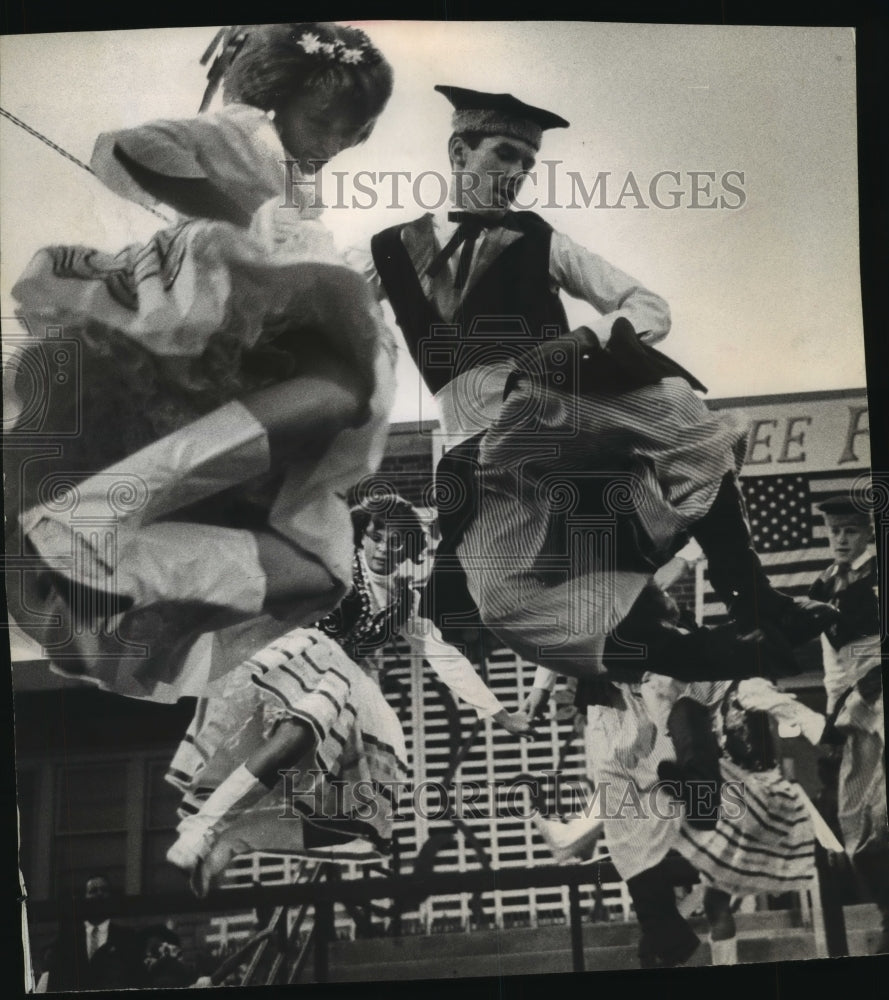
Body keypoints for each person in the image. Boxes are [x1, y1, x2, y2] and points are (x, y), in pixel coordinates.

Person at [347, 84, 835, 686]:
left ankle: (755, 600)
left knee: (683, 418)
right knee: (502, 602)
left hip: (557, 405)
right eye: (503, 154)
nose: (518, 174)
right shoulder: (383, 250)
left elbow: (648, 306)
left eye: (528, 163)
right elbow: (320, 316)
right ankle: (714, 658)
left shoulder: (541, 239)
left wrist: (582, 343)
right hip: (480, 449)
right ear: (458, 151)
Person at [6, 22, 398, 702]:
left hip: (271, 308)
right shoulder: (249, 129)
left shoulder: (294, 169)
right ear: (279, 97)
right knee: (338, 391)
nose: (331, 141)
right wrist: (234, 220)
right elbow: (130, 150)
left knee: (323, 567)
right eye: (321, 120)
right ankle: (94, 518)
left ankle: (110, 547)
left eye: (348, 130)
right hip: (224, 300)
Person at [165, 494, 532, 895]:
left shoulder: (404, 600)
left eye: (396, 543)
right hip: (301, 661)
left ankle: (237, 840)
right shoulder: (337, 564)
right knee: (302, 727)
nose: (383, 549)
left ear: (407, 551)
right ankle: (202, 826)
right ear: (363, 534)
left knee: (358, 815)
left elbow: (445, 656)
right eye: (377, 536)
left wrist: (500, 714)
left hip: (350, 690)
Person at [526, 666, 833, 968]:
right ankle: (574, 839)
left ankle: (573, 839)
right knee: (708, 900)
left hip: (715, 790)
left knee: (710, 897)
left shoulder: (703, 693)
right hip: (694, 791)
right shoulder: (664, 700)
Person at [809, 494, 888, 953]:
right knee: (853, 819)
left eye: (850, 530)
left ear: (869, 532)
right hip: (850, 705)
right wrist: (834, 709)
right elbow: (828, 657)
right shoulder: (824, 582)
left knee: (883, 812)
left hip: (880, 696)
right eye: (834, 530)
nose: (840, 538)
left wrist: (864, 694)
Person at [36, 874, 145, 992]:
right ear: (84, 898)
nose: (99, 894)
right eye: (93, 891)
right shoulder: (66, 940)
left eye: (104, 890)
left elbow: (136, 979)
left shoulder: (127, 937)